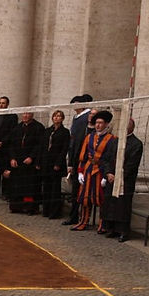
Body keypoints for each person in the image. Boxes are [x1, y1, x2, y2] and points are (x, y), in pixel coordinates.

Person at [72, 110, 116, 231]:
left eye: (101, 123)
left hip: (101, 171)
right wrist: (80, 172)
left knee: (101, 198)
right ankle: (83, 221)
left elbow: (111, 159)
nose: (98, 125)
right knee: (85, 197)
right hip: (88, 170)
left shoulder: (112, 139)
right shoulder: (89, 137)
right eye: (96, 123)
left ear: (106, 124)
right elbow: (83, 156)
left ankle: (102, 224)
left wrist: (105, 176)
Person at [101, 118, 143, 242]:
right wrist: (108, 173)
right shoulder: (115, 141)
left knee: (123, 206)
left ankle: (123, 231)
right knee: (110, 203)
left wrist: (118, 176)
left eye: (127, 125)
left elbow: (132, 165)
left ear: (132, 127)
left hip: (126, 180)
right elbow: (106, 159)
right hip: (111, 178)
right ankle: (111, 228)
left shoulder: (136, 144)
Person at [3, 111, 45, 214]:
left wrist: (31, 157)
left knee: (29, 187)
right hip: (18, 161)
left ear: (32, 115)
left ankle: (29, 207)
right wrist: (12, 158)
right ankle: (17, 206)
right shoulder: (17, 128)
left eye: (28, 114)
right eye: (24, 114)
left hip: (30, 163)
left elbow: (40, 145)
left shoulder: (39, 127)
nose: (25, 116)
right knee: (17, 185)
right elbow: (11, 144)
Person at [63, 95, 93, 225]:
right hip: (76, 158)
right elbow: (73, 142)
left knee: (83, 191)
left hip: (83, 159)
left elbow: (79, 142)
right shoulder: (77, 119)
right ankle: (75, 216)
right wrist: (70, 162)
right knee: (75, 190)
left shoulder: (85, 119)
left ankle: (82, 218)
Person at [39, 110, 70, 219]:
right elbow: (42, 147)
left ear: (62, 118)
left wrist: (58, 163)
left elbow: (64, 149)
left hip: (56, 163)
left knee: (55, 188)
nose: (56, 118)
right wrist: (39, 161)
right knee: (46, 187)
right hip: (46, 162)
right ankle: (46, 210)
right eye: (55, 116)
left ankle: (54, 212)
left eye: (59, 116)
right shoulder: (48, 131)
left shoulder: (65, 132)